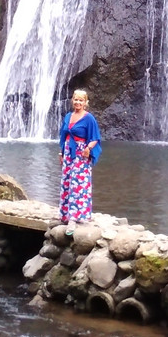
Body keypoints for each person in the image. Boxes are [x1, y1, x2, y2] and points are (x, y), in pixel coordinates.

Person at [58, 89, 101, 234]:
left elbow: (95, 138)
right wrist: (61, 152)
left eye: (81, 100)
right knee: (67, 182)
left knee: (78, 185)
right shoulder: (68, 116)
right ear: (72, 100)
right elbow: (63, 135)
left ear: (85, 102)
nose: (78, 102)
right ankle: (65, 214)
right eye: (76, 99)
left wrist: (88, 148)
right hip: (68, 152)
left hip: (81, 153)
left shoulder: (89, 118)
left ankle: (73, 218)